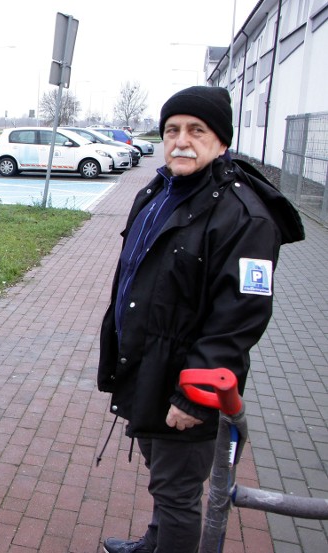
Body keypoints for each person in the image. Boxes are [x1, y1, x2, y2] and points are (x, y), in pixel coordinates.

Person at [97, 86, 304, 553]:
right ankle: (155, 543)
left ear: (221, 141)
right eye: (172, 130)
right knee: (161, 478)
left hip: (186, 382)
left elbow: (240, 318)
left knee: (178, 495)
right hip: (145, 366)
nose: (181, 141)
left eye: (197, 130)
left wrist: (196, 398)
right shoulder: (162, 189)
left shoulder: (245, 215)